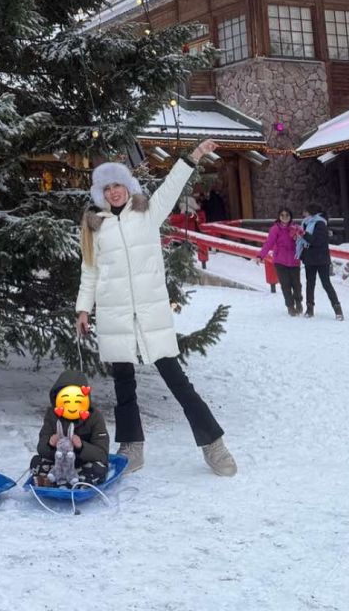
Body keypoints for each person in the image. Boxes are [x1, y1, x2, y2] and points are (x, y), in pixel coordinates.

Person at [76, 139, 237, 477]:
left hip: (151, 315)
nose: (114, 193)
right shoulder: (95, 227)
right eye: (107, 188)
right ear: (101, 194)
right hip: (115, 315)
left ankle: (213, 444)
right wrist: (83, 309)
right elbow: (89, 271)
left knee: (178, 382)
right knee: (123, 387)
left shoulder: (147, 214)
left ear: (128, 187)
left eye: (118, 185)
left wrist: (194, 155)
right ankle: (132, 447)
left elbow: (172, 186)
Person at [30, 368, 110, 487]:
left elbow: (102, 454)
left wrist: (81, 446)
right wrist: (50, 444)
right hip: (58, 463)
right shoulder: (52, 415)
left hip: (83, 463)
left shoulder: (95, 416)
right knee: (36, 462)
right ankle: (52, 482)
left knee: (99, 469)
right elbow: (41, 448)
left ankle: (76, 483)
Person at [297, 204, 343, 320]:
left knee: (326, 283)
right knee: (310, 284)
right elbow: (304, 241)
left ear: (311, 212)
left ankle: (337, 309)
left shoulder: (320, 223)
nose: (303, 213)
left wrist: (303, 234)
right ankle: (309, 308)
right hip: (310, 258)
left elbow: (316, 241)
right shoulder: (306, 223)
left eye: (305, 211)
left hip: (321, 258)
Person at [255, 209, 303, 315]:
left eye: (287, 215)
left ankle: (298, 302)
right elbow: (268, 243)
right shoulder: (275, 229)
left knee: (296, 285)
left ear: (291, 216)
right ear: (279, 216)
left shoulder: (296, 228)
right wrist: (260, 256)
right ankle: (290, 306)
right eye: (282, 215)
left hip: (294, 260)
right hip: (280, 261)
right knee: (285, 285)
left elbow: (303, 241)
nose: (285, 217)